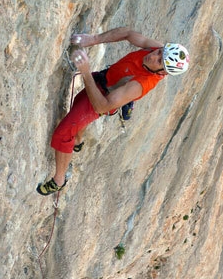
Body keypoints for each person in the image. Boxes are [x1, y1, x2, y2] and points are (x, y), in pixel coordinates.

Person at [37, 27, 190, 195]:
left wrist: (86, 72)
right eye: (160, 52)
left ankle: (59, 180)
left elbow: (101, 106)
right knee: (76, 107)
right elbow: (128, 34)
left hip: (104, 97)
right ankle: (79, 142)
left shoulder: (140, 85)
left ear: (163, 72)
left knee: (63, 133)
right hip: (104, 79)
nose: (153, 56)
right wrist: (93, 39)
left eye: (159, 61)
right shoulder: (157, 51)